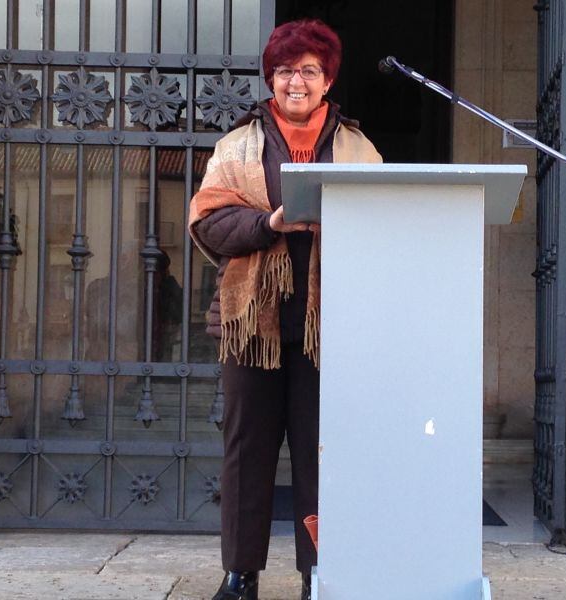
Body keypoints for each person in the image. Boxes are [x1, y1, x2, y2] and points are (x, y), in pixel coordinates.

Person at [189, 18, 382, 600]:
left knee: (321, 455)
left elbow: (383, 224)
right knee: (246, 452)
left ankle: (317, 576)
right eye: (284, 71)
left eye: (308, 71)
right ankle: (239, 574)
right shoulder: (237, 145)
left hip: (331, 328)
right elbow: (208, 222)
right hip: (253, 325)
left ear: (327, 80)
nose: (295, 81)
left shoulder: (359, 148)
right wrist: (269, 222)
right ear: (270, 78)